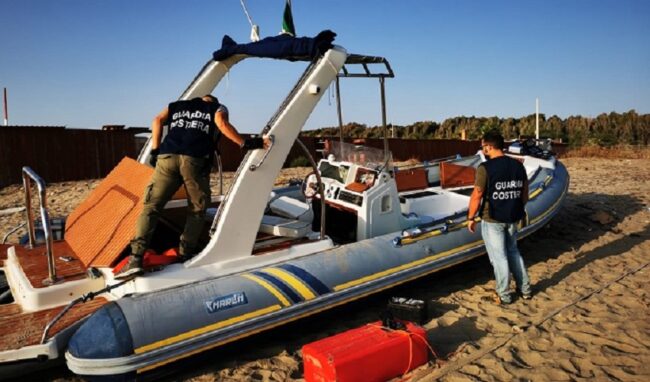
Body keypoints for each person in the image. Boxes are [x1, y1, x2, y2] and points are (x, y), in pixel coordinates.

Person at [116, 95, 268, 279]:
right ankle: (185, 253)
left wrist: (155, 150)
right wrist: (246, 143)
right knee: (197, 207)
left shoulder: (177, 106)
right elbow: (221, 123)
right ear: (212, 101)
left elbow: (157, 120)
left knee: (151, 207)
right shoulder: (217, 108)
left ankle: (136, 259)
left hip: (167, 157)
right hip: (194, 159)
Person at [467, 131, 531, 304]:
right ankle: (525, 289)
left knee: (499, 257)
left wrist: (470, 217)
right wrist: (518, 207)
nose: (483, 149)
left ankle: (504, 294)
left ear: (488, 146)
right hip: (512, 216)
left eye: (483, 146)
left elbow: (477, 195)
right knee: (513, 251)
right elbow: (524, 192)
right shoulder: (518, 165)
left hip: (492, 218)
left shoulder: (485, 168)